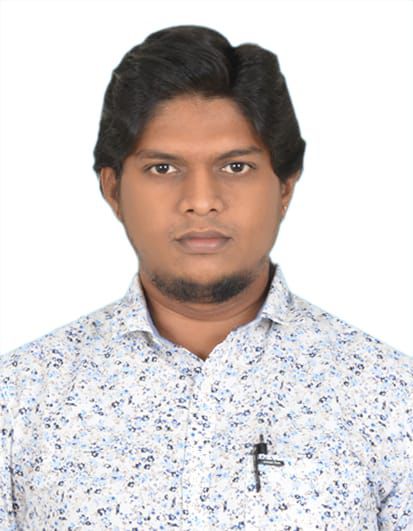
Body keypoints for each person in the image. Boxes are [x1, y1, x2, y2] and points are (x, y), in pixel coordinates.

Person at [0, 24, 412, 531]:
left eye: (235, 167)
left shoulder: (391, 398)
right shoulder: (19, 399)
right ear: (113, 189)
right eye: (163, 168)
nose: (201, 200)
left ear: (285, 187)